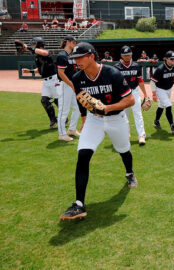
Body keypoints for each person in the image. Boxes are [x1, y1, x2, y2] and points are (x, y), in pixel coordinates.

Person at [59, 42, 137, 220]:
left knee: (124, 150)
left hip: (116, 118)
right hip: (94, 120)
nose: (76, 61)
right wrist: (85, 118)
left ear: (91, 56)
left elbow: (131, 100)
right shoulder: (78, 78)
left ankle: (129, 173)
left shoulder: (112, 73)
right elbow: (81, 100)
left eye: (80, 57)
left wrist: (107, 108)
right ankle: (79, 204)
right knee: (83, 155)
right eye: (74, 58)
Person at [21, 37, 59, 129]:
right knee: (44, 101)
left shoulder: (46, 52)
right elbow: (39, 70)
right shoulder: (37, 57)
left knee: (58, 102)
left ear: (39, 45)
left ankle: (64, 118)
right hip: (45, 81)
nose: (32, 46)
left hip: (54, 80)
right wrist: (29, 71)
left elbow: (44, 53)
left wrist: (29, 48)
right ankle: (53, 120)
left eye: (34, 44)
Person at [114, 45, 148, 145]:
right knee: (123, 116)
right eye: (125, 55)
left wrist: (146, 95)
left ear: (131, 55)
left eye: (129, 55)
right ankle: (125, 134)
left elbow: (140, 80)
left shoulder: (136, 65)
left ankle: (141, 136)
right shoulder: (116, 67)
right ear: (121, 56)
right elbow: (115, 83)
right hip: (122, 94)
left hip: (134, 92)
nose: (127, 57)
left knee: (138, 114)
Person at [56, 35, 82, 142]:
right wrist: (71, 84)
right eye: (73, 42)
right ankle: (62, 134)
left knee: (77, 108)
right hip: (64, 84)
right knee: (64, 110)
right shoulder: (62, 55)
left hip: (71, 84)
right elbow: (61, 73)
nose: (75, 44)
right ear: (67, 42)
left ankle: (71, 129)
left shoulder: (71, 55)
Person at [151, 50, 174, 134]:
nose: (173, 60)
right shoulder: (160, 69)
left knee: (161, 105)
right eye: (171, 59)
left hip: (169, 89)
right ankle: (172, 126)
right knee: (168, 105)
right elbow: (152, 81)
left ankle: (156, 121)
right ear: (166, 59)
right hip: (160, 89)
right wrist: (154, 94)